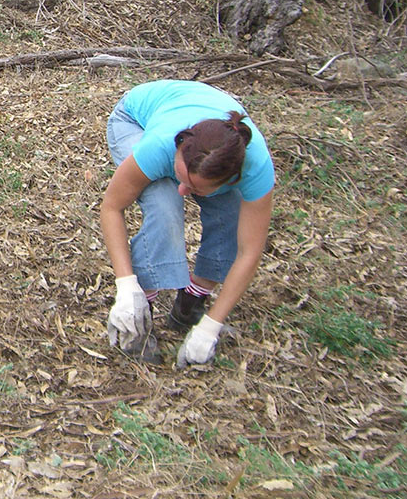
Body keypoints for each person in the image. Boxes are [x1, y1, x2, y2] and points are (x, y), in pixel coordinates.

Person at [99, 80, 275, 367]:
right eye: (180, 177)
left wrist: (211, 327)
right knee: (165, 204)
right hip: (134, 119)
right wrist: (125, 286)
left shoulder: (256, 168)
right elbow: (112, 207)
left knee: (231, 213)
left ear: (231, 179)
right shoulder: (159, 146)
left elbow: (250, 251)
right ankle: (139, 317)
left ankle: (190, 304)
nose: (184, 190)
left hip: (204, 139)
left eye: (193, 187)